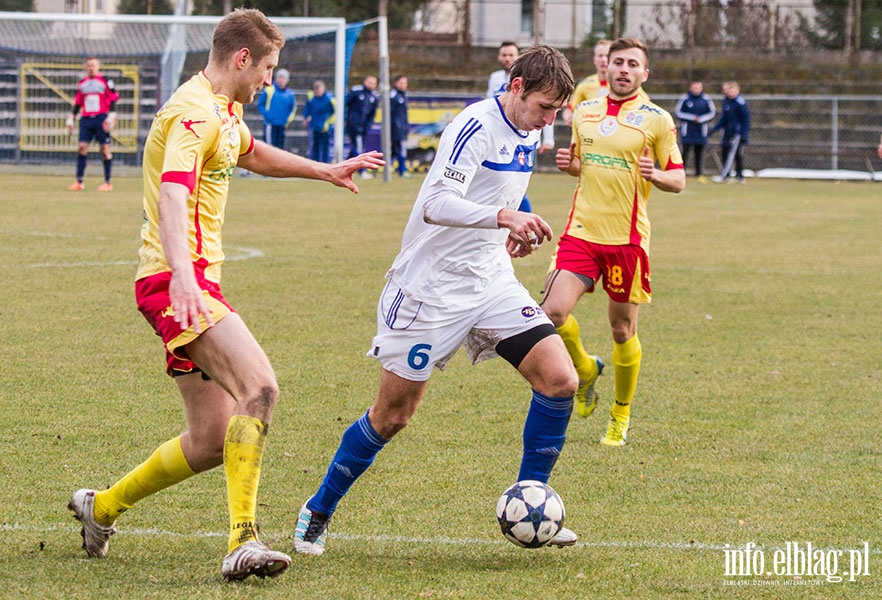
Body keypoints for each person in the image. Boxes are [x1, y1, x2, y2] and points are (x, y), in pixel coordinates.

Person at [66, 8, 384, 583]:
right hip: (174, 281)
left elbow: (251, 153)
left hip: (187, 280)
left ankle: (101, 506)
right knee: (259, 388)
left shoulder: (224, 108)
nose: (268, 78)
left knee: (212, 440)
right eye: (266, 68)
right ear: (242, 59)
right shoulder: (191, 113)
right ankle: (244, 540)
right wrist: (184, 276)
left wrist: (325, 170)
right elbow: (171, 195)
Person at [292, 45, 579, 557]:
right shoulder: (474, 126)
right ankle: (317, 510)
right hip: (430, 289)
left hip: (490, 279)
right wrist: (502, 218)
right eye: (544, 107)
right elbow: (436, 204)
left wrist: (516, 225)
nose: (549, 120)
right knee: (393, 416)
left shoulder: (530, 127)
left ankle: (532, 499)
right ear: (516, 88)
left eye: (557, 110)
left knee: (560, 379)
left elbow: (502, 190)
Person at [543, 38, 685, 446]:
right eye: (617, 62)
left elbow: (678, 178)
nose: (623, 69)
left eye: (632, 64)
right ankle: (585, 368)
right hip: (580, 233)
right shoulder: (583, 112)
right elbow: (579, 166)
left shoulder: (657, 119)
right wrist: (570, 166)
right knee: (550, 313)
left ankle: (620, 415)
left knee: (622, 330)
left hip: (626, 240)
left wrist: (655, 174)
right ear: (606, 69)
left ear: (645, 73)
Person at [485, 41, 554, 211]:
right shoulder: (495, 78)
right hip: (497, 135)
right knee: (501, 182)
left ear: (518, 57)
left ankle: (524, 219)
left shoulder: (531, 80)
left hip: (520, 134)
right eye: (504, 55)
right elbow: (487, 102)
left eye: (511, 55)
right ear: (499, 57)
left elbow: (545, 108)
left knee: (513, 182)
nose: (507, 59)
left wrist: (549, 139)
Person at [563, 39, 649, 127]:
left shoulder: (626, 86)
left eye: (606, 56)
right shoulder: (585, 84)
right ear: (594, 59)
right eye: (600, 56)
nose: (603, 59)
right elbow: (569, 109)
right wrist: (569, 117)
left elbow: (647, 106)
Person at [65, 57, 119, 192]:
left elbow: (113, 97)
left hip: (101, 118)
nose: (91, 68)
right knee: (82, 147)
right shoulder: (83, 83)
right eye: (88, 65)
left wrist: (112, 115)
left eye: (93, 65)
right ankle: (79, 181)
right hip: (86, 119)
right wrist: (71, 118)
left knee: (104, 149)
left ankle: (108, 182)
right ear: (85, 67)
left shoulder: (106, 81)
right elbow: (78, 102)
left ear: (98, 66)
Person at [674, 80, 716, 182]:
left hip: (701, 132)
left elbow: (712, 113)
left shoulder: (706, 100)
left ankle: (699, 173)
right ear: (691, 88)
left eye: (698, 87)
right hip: (687, 132)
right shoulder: (684, 99)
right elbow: (678, 112)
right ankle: (681, 173)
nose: (696, 89)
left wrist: (701, 119)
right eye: (694, 87)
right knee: (685, 153)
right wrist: (692, 118)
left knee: (699, 153)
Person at [710, 81, 750, 183]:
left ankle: (729, 176)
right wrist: (714, 129)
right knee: (726, 153)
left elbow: (746, 119)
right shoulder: (726, 102)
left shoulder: (740, 103)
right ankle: (730, 175)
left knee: (734, 154)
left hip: (737, 134)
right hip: (727, 133)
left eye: (733, 90)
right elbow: (724, 119)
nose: (731, 92)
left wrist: (743, 133)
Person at [345, 75, 379, 178]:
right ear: (365, 81)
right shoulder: (356, 91)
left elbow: (372, 114)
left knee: (355, 148)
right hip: (352, 125)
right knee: (358, 148)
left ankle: (345, 167)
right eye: (369, 82)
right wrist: (348, 120)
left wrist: (367, 126)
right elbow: (345, 104)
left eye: (373, 83)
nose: (371, 85)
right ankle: (362, 171)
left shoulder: (374, 96)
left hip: (363, 127)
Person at [257, 68, 296, 150]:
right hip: (270, 124)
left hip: (282, 124)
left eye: (283, 78)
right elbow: (261, 104)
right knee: (269, 147)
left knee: (280, 148)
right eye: (280, 78)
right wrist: (267, 115)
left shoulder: (290, 95)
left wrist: (287, 120)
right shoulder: (269, 90)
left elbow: (293, 108)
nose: (281, 80)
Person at [302, 79, 335, 163]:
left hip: (325, 128)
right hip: (314, 126)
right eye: (315, 90)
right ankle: (314, 164)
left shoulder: (329, 99)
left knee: (325, 147)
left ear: (323, 89)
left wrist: (329, 122)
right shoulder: (311, 97)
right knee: (314, 146)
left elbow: (335, 112)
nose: (317, 92)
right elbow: (307, 108)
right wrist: (305, 118)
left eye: (318, 90)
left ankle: (325, 165)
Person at [389, 74, 411, 177]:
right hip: (396, 128)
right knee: (399, 149)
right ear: (396, 83)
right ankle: (402, 170)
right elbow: (390, 113)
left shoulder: (403, 95)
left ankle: (401, 168)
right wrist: (395, 126)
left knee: (396, 150)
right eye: (401, 82)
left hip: (402, 128)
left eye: (405, 83)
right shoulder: (393, 96)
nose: (403, 85)